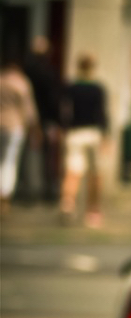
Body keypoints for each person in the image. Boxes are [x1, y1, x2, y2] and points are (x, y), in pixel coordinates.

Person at [62, 52, 110, 227]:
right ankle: (93, 210)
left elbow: (65, 112)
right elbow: (102, 114)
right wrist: (105, 136)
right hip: (93, 133)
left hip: (75, 132)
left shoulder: (71, 87)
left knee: (73, 171)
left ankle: (68, 204)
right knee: (95, 174)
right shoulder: (97, 89)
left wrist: (65, 129)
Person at [24, 36, 63, 204]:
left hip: (28, 120)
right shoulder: (49, 72)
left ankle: (28, 190)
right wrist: (57, 121)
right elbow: (54, 99)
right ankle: (48, 191)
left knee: (27, 155)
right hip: (45, 120)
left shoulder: (26, 72)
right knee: (47, 156)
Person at [0, 59, 40, 216]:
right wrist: (34, 128)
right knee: (9, 163)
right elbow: (28, 109)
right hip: (14, 127)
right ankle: (4, 197)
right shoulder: (21, 83)